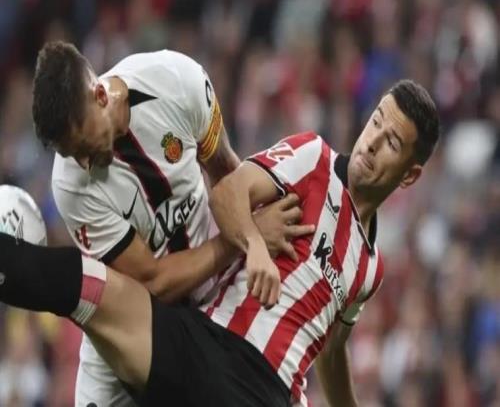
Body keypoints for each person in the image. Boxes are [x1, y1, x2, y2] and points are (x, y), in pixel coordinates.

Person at [1, 79, 439, 406]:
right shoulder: (314, 160)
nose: (371, 143)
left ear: (411, 174)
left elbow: (333, 350)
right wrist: (255, 245)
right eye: (375, 122)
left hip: (264, 390)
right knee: (95, 285)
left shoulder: (370, 268)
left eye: (391, 142)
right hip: (202, 343)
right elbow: (228, 192)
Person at [31, 41, 313, 406]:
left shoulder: (176, 81)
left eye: (84, 147)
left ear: (100, 95)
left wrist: (252, 239)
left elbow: (229, 178)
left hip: (213, 289)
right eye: (72, 156)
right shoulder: (70, 186)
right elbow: (152, 283)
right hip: (131, 324)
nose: (83, 163)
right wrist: (247, 236)